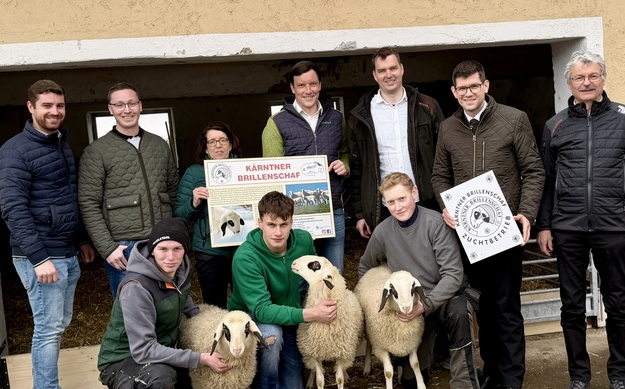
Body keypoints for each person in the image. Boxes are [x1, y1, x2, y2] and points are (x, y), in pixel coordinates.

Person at [536, 50, 625, 389]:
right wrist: (544, 225)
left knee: (617, 302)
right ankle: (578, 378)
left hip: (612, 225)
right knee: (571, 305)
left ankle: (619, 377)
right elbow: (546, 180)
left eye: (593, 75)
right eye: (579, 77)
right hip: (568, 227)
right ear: (569, 83)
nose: (587, 82)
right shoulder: (555, 125)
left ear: (603, 79)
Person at [431, 60, 544, 389]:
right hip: (466, 235)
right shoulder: (448, 128)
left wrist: (526, 212)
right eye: (461, 88)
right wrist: (446, 206)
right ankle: (491, 371)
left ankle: (512, 382)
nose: (468, 93)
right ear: (454, 92)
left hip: (504, 231)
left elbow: (533, 170)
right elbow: (439, 175)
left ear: (485, 86)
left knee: (506, 306)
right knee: (481, 307)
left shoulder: (514, 120)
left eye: (474, 86)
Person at [0, 79, 98, 389]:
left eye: (60, 106)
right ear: (31, 107)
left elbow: (67, 196)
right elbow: (14, 210)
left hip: (64, 249)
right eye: (47, 106)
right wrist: (39, 259)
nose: (55, 112)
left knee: (55, 325)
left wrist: (81, 239)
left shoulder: (59, 143)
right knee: (48, 329)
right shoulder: (14, 152)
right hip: (40, 256)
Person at [97, 217, 228, 389]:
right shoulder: (136, 286)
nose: (170, 257)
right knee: (161, 379)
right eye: (163, 249)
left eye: (177, 249)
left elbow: (188, 306)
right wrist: (200, 357)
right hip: (124, 360)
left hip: (163, 355)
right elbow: (144, 350)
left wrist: (212, 333)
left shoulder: (180, 272)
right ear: (152, 250)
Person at [358, 173, 482, 389]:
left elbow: (453, 274)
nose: (398, 207)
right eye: (391, 202)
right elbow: (366, 267)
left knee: (460, 313)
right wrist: (378, 299)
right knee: (411, 382)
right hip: (409, 305)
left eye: (402, 198)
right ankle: (433, 348)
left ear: (414, 193)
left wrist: (425, 305)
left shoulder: (435, 224)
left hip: (444, 298)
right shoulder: (383, 232)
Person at [227, 191, 337, 389]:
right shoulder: (246, 257)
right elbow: (262, 310)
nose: (278, 232)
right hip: (255, 320)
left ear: (291, 222)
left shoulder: (304, 242)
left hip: (291, 316)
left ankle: (265, 382)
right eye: (271, 225)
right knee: (271, 336)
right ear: (259, 223)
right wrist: (310, 315)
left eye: (283, 225)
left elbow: (313, 280)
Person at [78, 82, 180, 298]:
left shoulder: (159, 145)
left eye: (132, 103)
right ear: (111, 109)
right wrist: (107, 248)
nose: (127, 110)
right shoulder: (97, 151)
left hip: (161, 241)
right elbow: (88, 203)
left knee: (167, 305)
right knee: (130, 308)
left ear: (140, 106)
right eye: (120, 105)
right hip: (124, 247)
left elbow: (173, 192)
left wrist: (174, 236)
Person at [348, 47, 445, 238]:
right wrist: (360, 214)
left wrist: (445, 201)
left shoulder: (428, 107)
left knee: (430, 254)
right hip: (384, 206)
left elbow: (445, 156)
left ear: (402, 69)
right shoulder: (360, 117)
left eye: (393, 68)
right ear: (375, 75)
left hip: (426, 201)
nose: (388, 75)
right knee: (392, 257)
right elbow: (357, 168)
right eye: (382, 70)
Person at [261, 61, 349, 272]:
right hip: (295, 214)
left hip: (332, 210)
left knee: (333, 274)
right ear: (293, 88)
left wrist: (344, 166)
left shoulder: (337, 118)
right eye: (301, 85)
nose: (308, 90)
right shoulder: (276, 122)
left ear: (320, 85)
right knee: (300, 275)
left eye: (313, 84)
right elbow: (271, 172)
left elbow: (345, 152)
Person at [175, 121, 242, 308]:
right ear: (205, 148)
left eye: (223, 140)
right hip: (209, 250)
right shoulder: (194, 173)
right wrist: (194, 202)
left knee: (245, 301)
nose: (218, 145)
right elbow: (179, 214)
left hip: (243, 248)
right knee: (214, 305)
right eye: (212, 141)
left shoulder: (244, 168)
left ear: (231, 144)